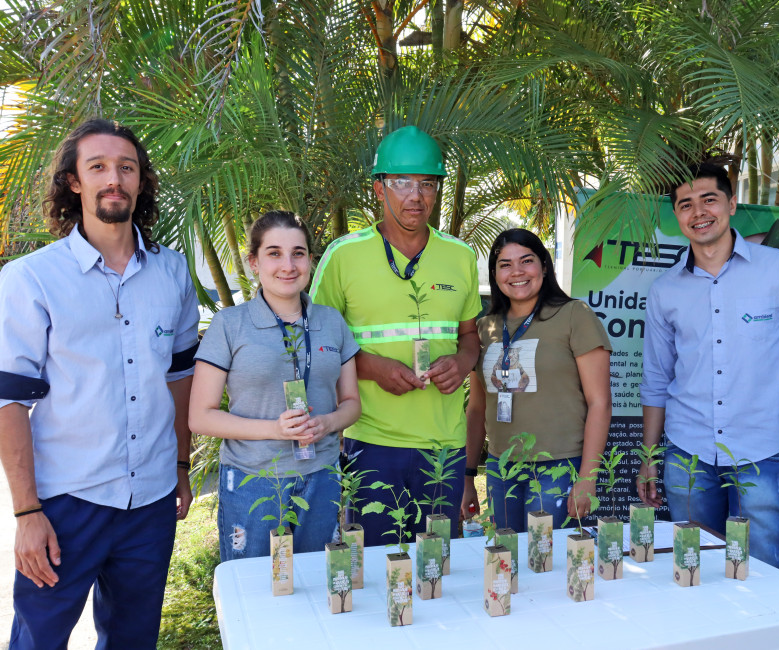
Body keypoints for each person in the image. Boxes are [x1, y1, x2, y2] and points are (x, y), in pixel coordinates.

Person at [0, 119, 199, 648]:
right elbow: (9, 402)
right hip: (67, 502)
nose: (115, 179)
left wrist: (181, 466)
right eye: (99, 167)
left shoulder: (173, 272)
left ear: (141, 181)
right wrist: (26, 514)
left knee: (133, 640)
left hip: (151, 501)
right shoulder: (31, 279)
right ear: (74, 182)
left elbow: (180, 378)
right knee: (38, 640)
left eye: (126, 168)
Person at [637, 162, 779, 571]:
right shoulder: (665, 290)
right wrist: (648, 456)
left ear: (731, 204)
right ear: (676, 216)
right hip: (687, 453)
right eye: (685, 204)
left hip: (761, 451)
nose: (699, 212)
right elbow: (657, 379)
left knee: (764, 575)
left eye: (709, 199)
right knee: (694, 572)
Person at [310, 125, 481, 545]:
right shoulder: (343, 256)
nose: (415, 196)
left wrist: (460, 363)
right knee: (374, 565)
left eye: (427, 183)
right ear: (378, 188)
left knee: (440, 570)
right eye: (402, 182)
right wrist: (371, 368)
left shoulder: (460, 257)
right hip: (372, 441)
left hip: (444, 444)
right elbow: (315, 342)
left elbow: (471, 337)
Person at [190, 211, 361, 559]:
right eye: (274, 253)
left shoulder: (331, 321)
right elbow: (201, 417)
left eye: (298, 253)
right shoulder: (229, 324)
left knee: (316, 586)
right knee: (255, 590)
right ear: (253, 262)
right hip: (254, 481)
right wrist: (276, 429)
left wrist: (327, 423)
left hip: (322, 475)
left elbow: (352, 403)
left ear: (310, 261)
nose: (288, 265)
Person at [462, 228, 613, 532]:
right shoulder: (484, 328)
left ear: (544, 266)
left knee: (546, 562)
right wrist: (467, 477)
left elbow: (600, 402)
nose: (516, 272)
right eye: (505, 264)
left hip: (558, 466)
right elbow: (477, 409)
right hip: (500, 466)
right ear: (495, 274)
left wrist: (587, 478)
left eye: (526, 261)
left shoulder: (574, 315)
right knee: (508, 557)